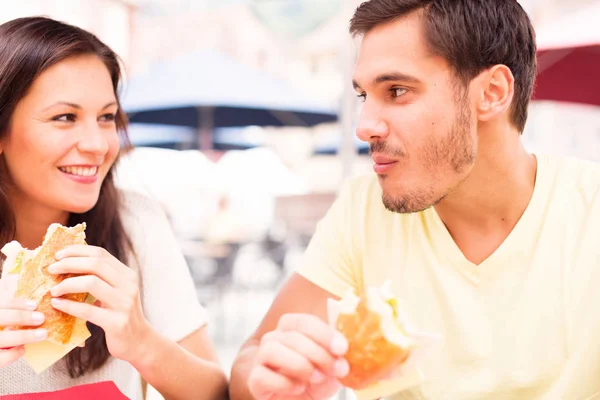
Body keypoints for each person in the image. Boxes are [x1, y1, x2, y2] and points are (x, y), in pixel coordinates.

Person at [229, 1, 600, 399]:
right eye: (363, 96)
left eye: (397, 91)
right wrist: (276, 378)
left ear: (492, 93)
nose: (364, 127)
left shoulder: (588, 212)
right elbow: (248, 364)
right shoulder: (362, 211)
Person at [0, 17, 227, 399]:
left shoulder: (135, 221)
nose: (98, 144)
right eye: (64, 117)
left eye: (106, 117)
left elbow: (216, 393)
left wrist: (141, 342)